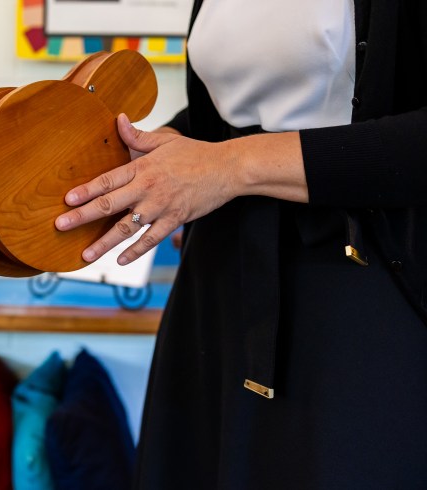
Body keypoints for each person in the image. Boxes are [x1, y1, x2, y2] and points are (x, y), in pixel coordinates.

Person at [55, 1, 427, 488]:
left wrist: (230, 165)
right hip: (218, 276)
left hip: (354, 281)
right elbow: (230, 116)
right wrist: (155, 154)